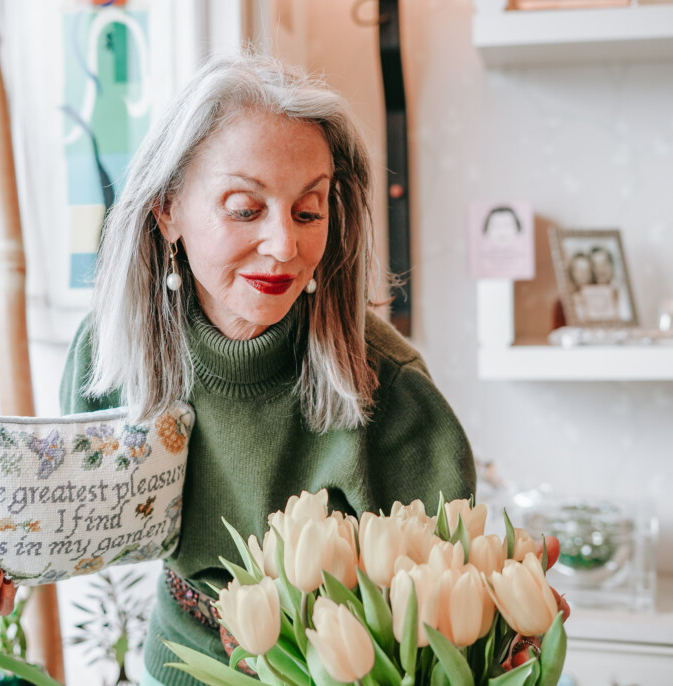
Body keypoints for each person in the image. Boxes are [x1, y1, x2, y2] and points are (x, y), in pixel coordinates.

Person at [59, 54, 475, 685]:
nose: (286, 246)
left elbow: (446, 622)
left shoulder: (393, 390)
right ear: (167, 210)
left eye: (308, 211)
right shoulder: (109, 351)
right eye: (244, 208)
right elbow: (69, 526)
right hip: (175, 666)